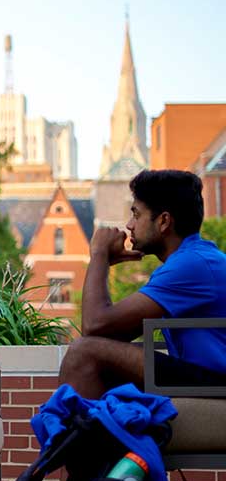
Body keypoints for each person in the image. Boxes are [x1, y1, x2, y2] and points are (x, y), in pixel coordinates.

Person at [58, 169, 226, 398]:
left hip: (216, 379)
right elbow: (108, 333)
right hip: (203, 375)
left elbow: (94, 325)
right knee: (95, 354)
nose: (129, 225)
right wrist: (103, 262)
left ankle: (72, 422)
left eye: (136, 215)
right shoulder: (190, 261)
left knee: (83, 352)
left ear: (164, 221)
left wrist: (99, 255)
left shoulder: (191, 264)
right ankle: (81, 421)